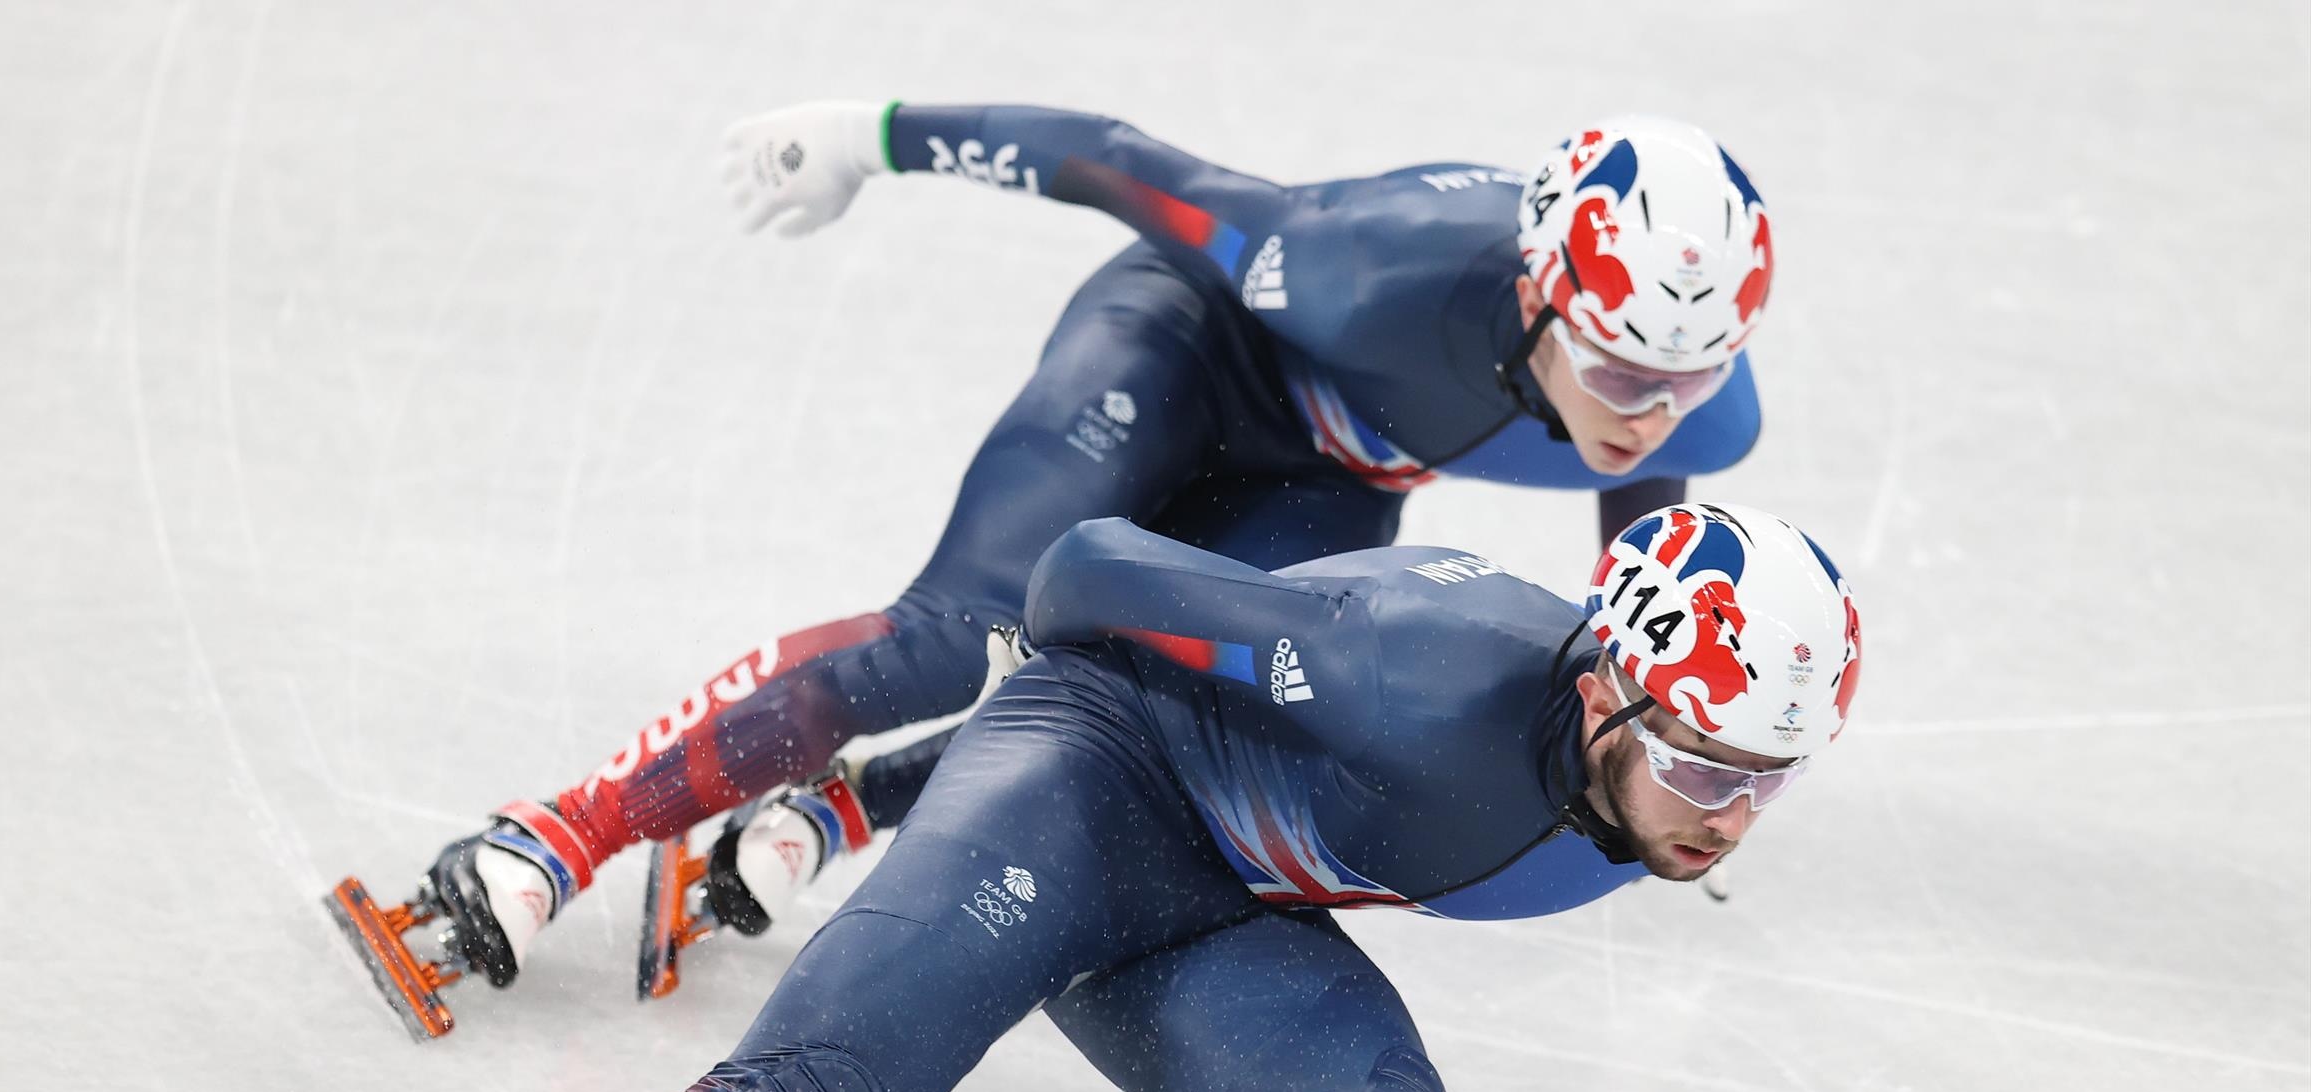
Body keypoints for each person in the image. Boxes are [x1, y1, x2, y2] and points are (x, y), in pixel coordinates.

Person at [44, 502, 1861, 1092]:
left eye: (1766, 784)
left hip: (1219, 897)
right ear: (1609, 684)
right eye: (1707, 766)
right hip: (1083, 793)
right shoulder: (1407, 663)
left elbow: (1341, 831)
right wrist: (911, 790)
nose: (1726, 822)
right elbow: (1089, 574)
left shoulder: (1622, 783)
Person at [327, 103, 1781, 1032]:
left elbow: (1646, 518)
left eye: (1691, 375)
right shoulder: (1358, 262)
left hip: (1326, 472)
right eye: (1612, 362)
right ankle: (556, 832)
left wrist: (1650, 716)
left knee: (1175, 702)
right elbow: (1126, 167)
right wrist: (875, 134)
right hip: (1181, 349)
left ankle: (840, 812)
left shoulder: (1677, 385)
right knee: (958, 636)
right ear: (1540, 291)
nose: (1649, 407)